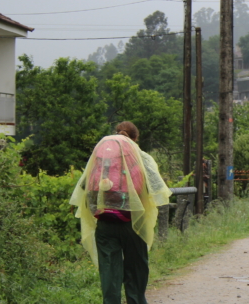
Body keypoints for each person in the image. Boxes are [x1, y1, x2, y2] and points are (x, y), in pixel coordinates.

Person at [70, 121, 172, 304]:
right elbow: (156, 188)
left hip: (105, 222)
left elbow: (85, 187)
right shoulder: (141, 157)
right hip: (133, 222)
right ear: (135, 139)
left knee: (109, 269)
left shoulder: (100, 158)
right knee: (136, 268)